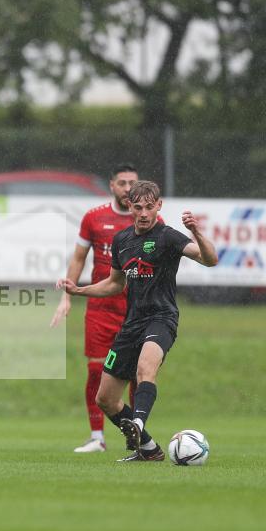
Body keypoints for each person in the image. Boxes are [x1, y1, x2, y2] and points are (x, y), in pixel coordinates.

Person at [57, 180, 218, 462]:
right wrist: (80, 290)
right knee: (104, 398)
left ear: (159, 206)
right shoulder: (122, 241)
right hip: (131, 324)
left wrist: (195, 232)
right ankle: (149, 449)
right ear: (130, 206)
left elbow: (210, 259)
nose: (143, 213)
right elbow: (114, 285)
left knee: (146, 369)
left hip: (161, 318)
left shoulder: (169, 236)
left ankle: (138, 424)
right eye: (138, 207)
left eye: (149, 207)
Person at [51, 163, 149, 453]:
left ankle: (139, 436)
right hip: (100, 307)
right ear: (112, 185)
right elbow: (79, 257)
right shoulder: (94, 218)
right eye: (122, 183)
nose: (128, 188)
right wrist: (67, 295)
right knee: (96, 371)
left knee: (136, 373)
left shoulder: (145, 220)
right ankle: (97, 437)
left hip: (135, 308)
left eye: (133, 182)